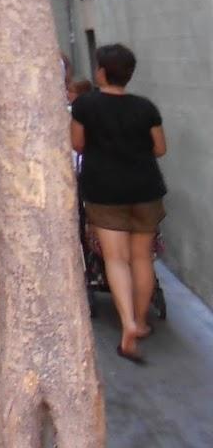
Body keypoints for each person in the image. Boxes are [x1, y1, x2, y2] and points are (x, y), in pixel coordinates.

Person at [71, 43, 167, 364]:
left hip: (105, 189)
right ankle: (140, 321)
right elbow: (160, 148)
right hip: (146, 188)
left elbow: (77, 144)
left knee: (115, 259)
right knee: (142, 257)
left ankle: (126, 322)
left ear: (101, 71)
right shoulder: (146, 107)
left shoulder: (85, 105)